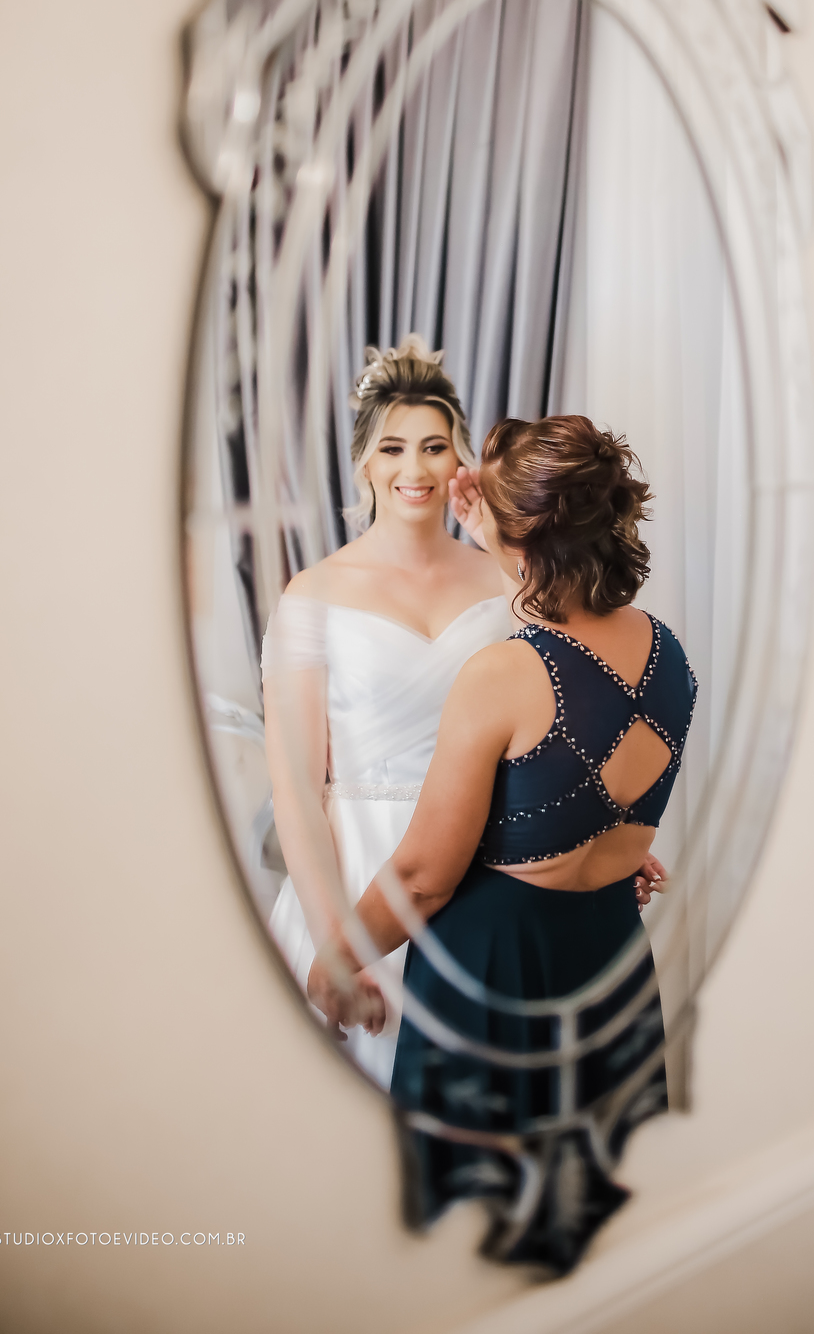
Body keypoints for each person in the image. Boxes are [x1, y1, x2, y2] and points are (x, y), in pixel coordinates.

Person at [307, 415, 696, 1270]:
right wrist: (500, 533)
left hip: (493, 975)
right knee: (594, 1237)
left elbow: (424, 874)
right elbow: (579, 797)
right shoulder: (667, 654)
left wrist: (339, 959)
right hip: (609, 962)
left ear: (521, 535)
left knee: (465, 1249)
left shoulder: (505, 673)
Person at [260, 335, 511, 1089]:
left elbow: (551, 718)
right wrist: (337, 945)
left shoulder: (505, 583)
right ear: (364, 463)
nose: (415, 469)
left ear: (458, 458)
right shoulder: (312, 595)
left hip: (481, 874)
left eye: (434, 447)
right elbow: (296, 788)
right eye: (393, 449)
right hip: (353, 876)